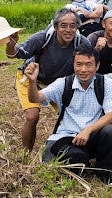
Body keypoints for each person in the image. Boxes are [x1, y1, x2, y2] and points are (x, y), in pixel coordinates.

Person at [24, 45, 112, 185]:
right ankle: (80, 160)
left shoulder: (106, 83)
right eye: (79, 64)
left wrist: (88, 130)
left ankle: (103, 172)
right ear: (73, 65)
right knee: (72, 159)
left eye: (89, 65)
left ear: (97, 66)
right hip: (67, 137)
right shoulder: (63, 83)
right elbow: (35, 98)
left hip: (92, 135)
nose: (83, 70)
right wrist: (32, 81)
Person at [6, 8, 92, 149]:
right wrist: (11, 44)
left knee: (70, 117)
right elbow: (15, 54)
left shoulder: (82, 43)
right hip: (31, 78)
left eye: (73, 25)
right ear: (55, 26)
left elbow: (89, 66)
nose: (68, 30)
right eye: (63, 25)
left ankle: (67, 151)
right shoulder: (43, 38)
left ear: (77, 27)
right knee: (32, 116)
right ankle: (26, 155)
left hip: (58, 84)